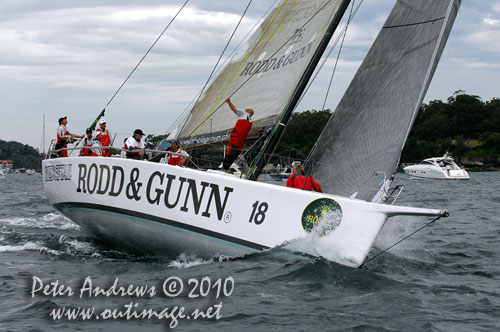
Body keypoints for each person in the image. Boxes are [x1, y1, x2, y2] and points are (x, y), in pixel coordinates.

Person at [222, 98, 264, 170]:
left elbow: (248, 134)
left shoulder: (250, 121)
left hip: (242, 139)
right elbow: (234, 109)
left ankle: (227, 167)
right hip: (236, 136)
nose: (250, 108)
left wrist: (258, 131)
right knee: (231, 152)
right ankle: (224, 167)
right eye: (249, 108)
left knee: (236, 154)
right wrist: (229, 102)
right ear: (247, 110)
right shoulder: (243, 113)